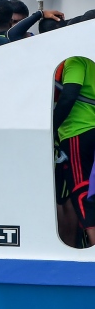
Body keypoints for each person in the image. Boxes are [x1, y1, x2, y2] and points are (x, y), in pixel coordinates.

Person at [54, 53, 95, 247]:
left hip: (78, 132)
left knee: (82, 192)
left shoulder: (77, 60)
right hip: (90, 131)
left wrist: (51, 127)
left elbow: (69, 95)